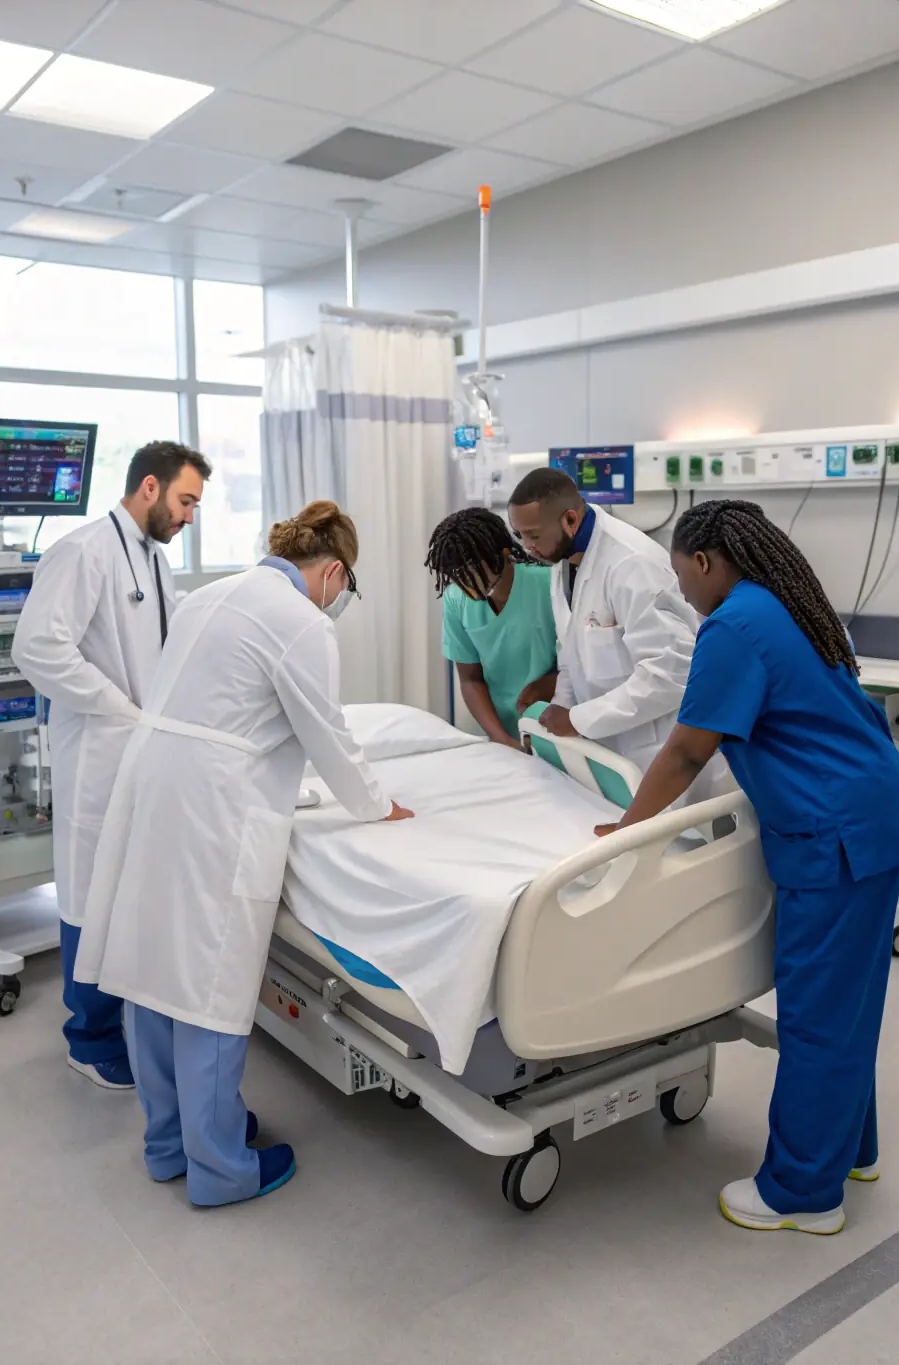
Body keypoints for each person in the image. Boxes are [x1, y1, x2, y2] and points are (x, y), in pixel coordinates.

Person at [73, 501, 414, 1207]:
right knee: (205, 981)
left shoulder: (211, 594)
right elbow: (329, 735)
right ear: (334, 572)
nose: (340, 599)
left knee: (151, 970)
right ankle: (221, 1166)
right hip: (213, 805)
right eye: (346, 587)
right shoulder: (303, 622)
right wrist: (380, 805)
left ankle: (169, 1144)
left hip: (152, 785)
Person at [596, 499, 899, 1235]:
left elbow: (688, 750)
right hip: (872, 813)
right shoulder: (796, 604)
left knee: (815, 1017)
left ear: (705, 561)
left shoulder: (734, 626)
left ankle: (804, 1193)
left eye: (682, 578)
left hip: (834, 834)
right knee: (848, 1005)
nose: (683, 593)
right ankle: (851, 1152)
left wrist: (624, 832)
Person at [12, 441, 211, 1091]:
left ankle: (125, 1019)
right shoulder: (82, 551)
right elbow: (37, 647)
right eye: (185, 501)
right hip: (99, 753)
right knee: (89, 894)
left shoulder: (154, 558)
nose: (189, 517)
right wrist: (119, 707)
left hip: (146, 749)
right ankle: (89, 1038)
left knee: (130, 892)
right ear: (150, 487)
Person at [507, 468, 699, 773]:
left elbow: (671, 673)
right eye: (520, 535)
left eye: (533, 535)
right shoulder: (562, 558)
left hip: (655, 748)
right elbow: (569, 653)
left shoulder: (632, 563)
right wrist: (560, 712)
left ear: (570, 520)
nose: (527, 546)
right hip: (605, 750)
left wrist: (577, 719)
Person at [425, 507, 557, 749]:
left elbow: (576, 668)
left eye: (473, 569)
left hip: (553, 723)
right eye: (457, 574)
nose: (466, 583)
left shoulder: (548, 584)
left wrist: (544, 686)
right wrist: (501, 738)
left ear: (503, 553)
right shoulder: (456, 599)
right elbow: (470, 679)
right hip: (498, 729)